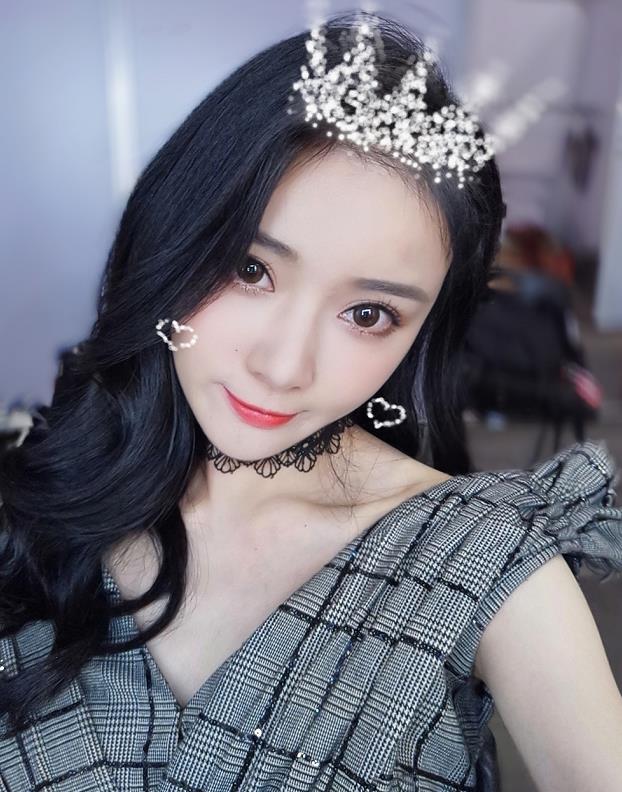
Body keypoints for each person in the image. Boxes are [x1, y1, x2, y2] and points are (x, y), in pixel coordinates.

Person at [1, 10, 621, 792]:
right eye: (250, 270)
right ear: (174, 241)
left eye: (368, 314)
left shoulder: (482, 561)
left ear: (420, 334)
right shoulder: (37, 485)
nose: (283, 367)